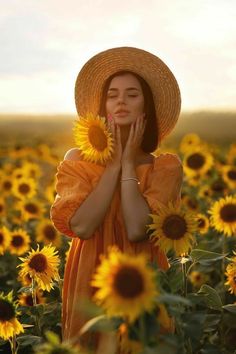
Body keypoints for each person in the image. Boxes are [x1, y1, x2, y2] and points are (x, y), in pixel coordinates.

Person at [50, 46, 183, 350]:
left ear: (145, 107)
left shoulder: (163, 167)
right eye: (112, 94)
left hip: (140, 284)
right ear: (103, 106)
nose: (121, 100)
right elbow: (82, 226)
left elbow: (138, 229)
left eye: (132, 94)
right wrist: (112, 165)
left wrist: (126, 165)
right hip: (90, 279)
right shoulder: (77, 160)